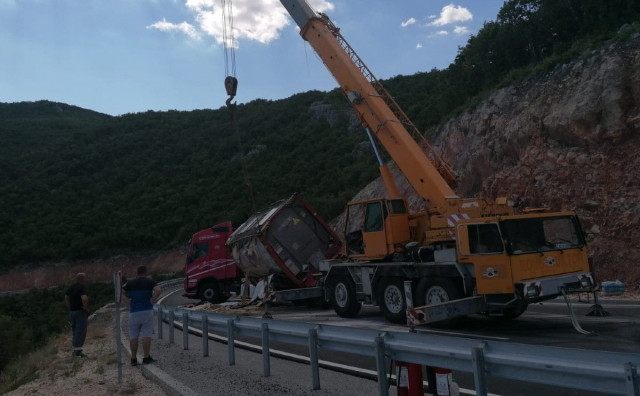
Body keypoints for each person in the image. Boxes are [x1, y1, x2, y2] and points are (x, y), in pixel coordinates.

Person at [122, 265, 162, 366]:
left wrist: (127, 301)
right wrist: (153, 299)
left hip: (134, 312)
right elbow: (158, 290)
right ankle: (146, 357)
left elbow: (119, 292)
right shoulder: (150, 281)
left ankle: (133, 359)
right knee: (146, 335)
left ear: (137, 272)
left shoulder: (130, 283)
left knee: (133, 336)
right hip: (147, 311)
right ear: (145, 272)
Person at [65, 272, 89, 357]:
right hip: (80, 312)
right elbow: (84, 298)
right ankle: (78, 352)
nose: (86, 279)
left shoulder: (71, 287)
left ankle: (75, 350)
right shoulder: (82, 287)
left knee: (75, 331)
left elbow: (66, 298)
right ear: (82, 279)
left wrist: (70, 307)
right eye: (85, 278)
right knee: (81, 331)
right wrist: (85, 308)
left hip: (72, 312)